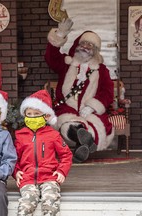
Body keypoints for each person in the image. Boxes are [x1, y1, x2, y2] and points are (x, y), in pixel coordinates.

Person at [44, 18, 114, 163]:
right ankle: (83, 141)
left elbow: (107, 92)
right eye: (84, 43)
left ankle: (82, 145)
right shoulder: (66, 64)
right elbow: (51, 58)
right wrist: (60, 35)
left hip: (90, 111)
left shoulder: (101, 70)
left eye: (91, 45)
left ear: (95, 51)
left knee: (96, 126)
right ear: (77, 45)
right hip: (67, 107)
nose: (86, 46)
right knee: (66, 123)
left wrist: (91, 107)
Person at [13, 89, 72, 216]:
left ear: (46, 116)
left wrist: (62, 171)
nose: (32, 117)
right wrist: (16, 171)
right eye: (29, 114)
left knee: (50, 203)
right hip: (27, 179)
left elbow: (66, 154)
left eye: (36, 113)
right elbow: (14, 158)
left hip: (49, 178)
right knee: (26, 205)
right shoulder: (20, 135)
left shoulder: (53, 135)